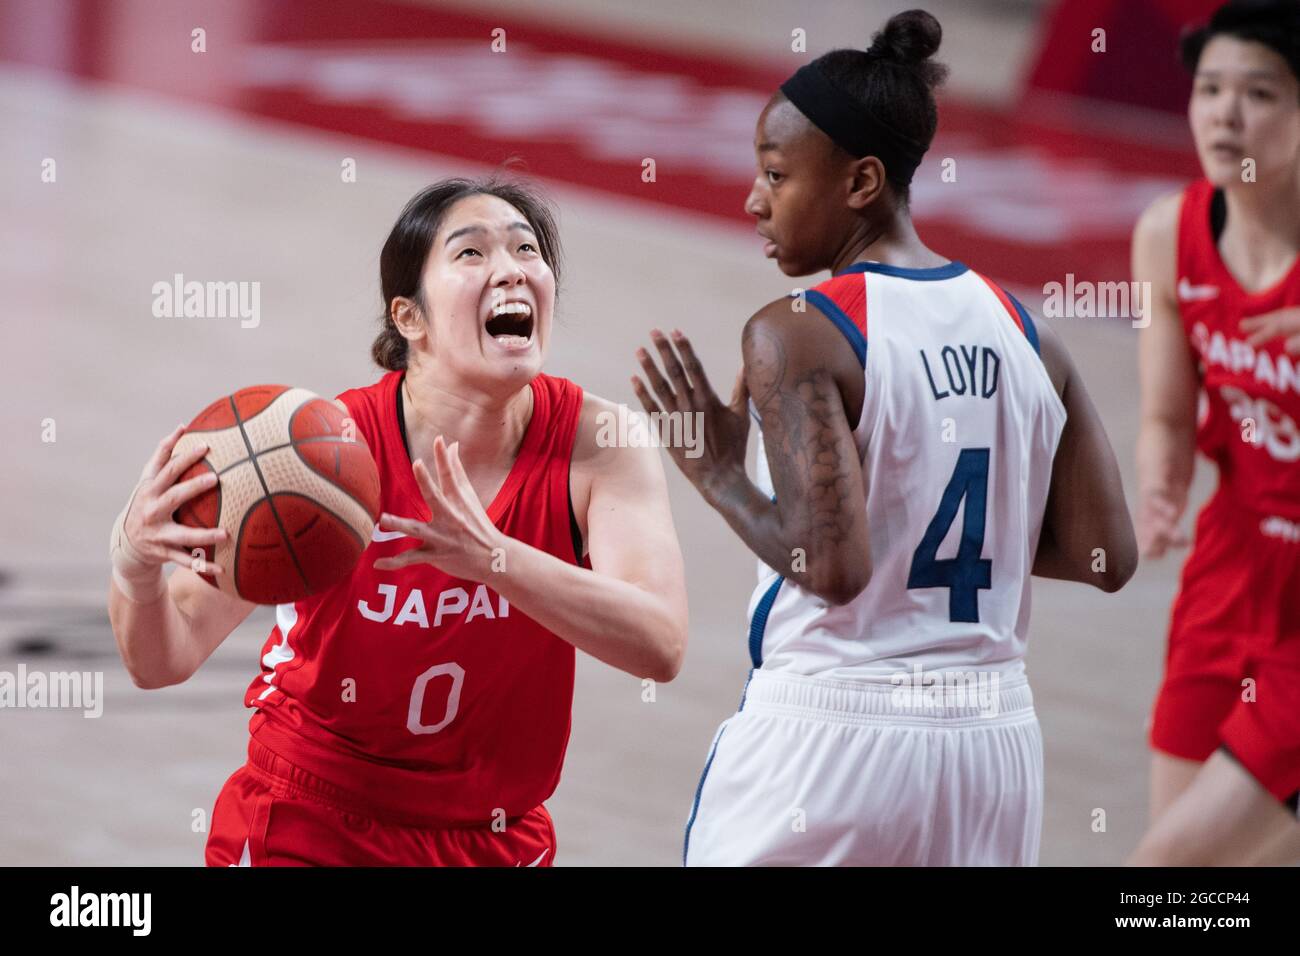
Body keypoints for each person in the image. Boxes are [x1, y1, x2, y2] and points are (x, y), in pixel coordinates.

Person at [633, 9, 1135, 866]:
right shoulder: (1026, 329)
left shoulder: (798, 331)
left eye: (776, 174)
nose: (754, 199)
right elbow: (1106, 555)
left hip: (834, 740)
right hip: (993, 747)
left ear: (861, 181)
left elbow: (832, 570)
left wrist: (718, 473)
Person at [108, 177, 689, 866]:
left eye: (527, 250)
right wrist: (132, 563)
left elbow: (661, 644)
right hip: (311, 820)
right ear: (409, 318)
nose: (511, 269)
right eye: (471, 254)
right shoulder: (317, 460)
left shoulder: (599, 441)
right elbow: (162, 659)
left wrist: (496, 559)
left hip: (493, 835)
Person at [1130, 0, 1300, 866]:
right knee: (1211, 888)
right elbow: (1167, 413)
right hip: (1224, 582)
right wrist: (1161, 484)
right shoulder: (1170, 233)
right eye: (1209, 88)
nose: (1226, 113)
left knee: (1165, 879)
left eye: (1259, 92)